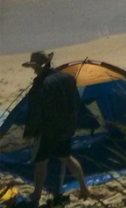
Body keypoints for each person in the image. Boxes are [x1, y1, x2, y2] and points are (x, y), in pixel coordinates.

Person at [22, 51, 90, 207]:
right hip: (65, 128)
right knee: (66, 157)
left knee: (41, 162)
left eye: (34, 67)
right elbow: (76, 103)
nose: (34, 70)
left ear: (38, 67)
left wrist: (29, 132)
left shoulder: (40, 84)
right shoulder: (68, 78)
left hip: (47, 129)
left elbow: (35, 111)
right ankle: (84, 187)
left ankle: (37, 193)